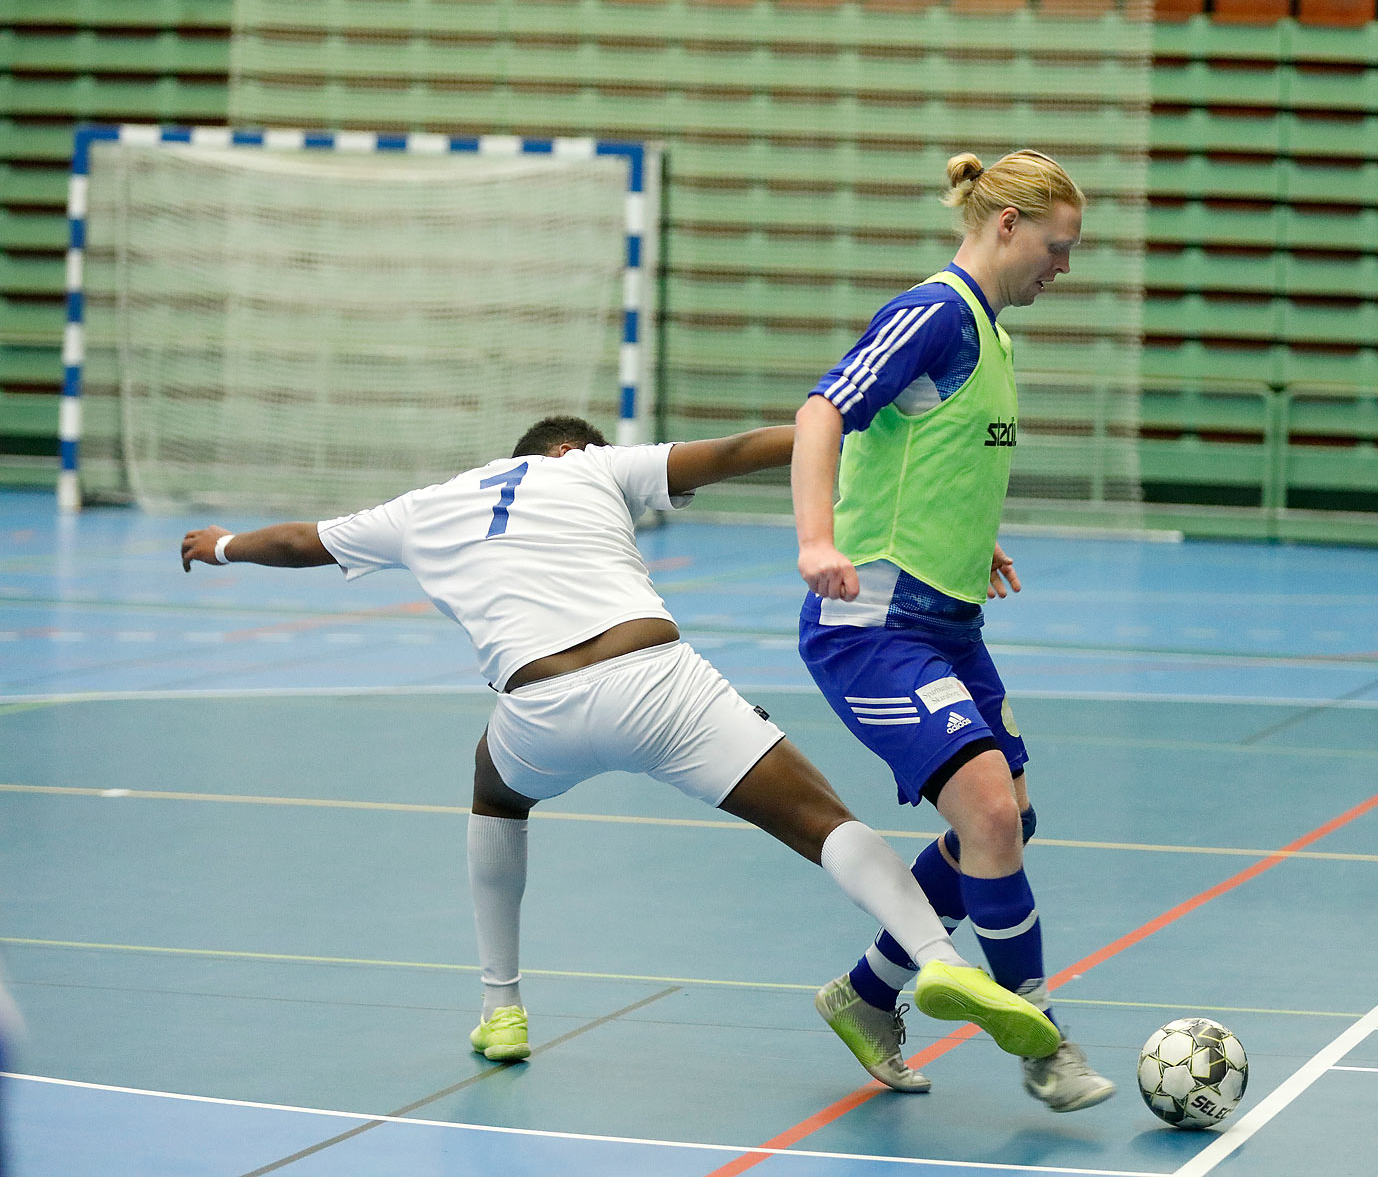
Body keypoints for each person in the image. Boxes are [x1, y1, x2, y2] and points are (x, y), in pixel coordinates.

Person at [179, 416, 1059, 1070]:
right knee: (821, 819)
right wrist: (830, 424)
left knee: (493, 789)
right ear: (569, 448)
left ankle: (503, 1009)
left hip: (537, 708)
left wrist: (219, 545)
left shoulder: (427, 505)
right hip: (655, 679)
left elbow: (300, 541)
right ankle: (940, 959)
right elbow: (729, 455)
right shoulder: (589, 466)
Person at [792, 150, 1117, 1112]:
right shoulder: (932, 314)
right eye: (1057, 248)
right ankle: (1043, 1044)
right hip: (872, 622)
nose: (1065, 267)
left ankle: (868, 993)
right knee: (983, 813)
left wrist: (974, 537)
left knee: (1007, 824)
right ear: (1007, 224)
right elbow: (823, 412)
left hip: (949, 618)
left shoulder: (995, 338)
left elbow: (927, 459)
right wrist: (815, 538)